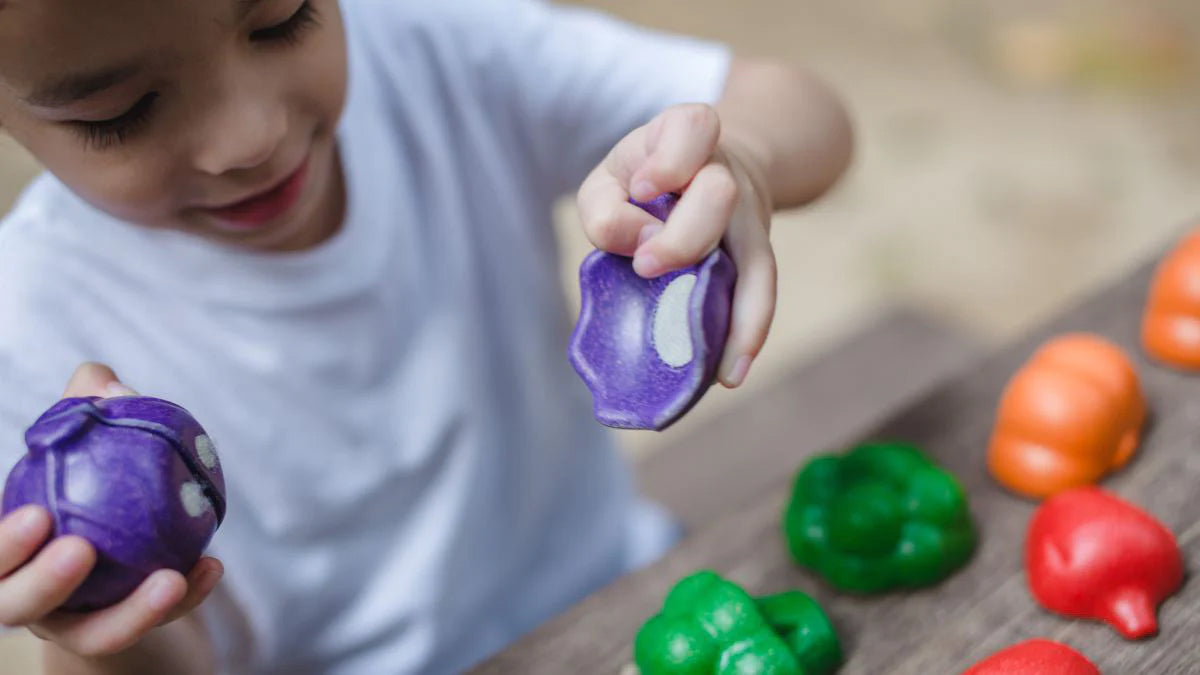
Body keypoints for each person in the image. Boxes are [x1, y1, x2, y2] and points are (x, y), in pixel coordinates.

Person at [0, 0, 852, 672]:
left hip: (628, 591)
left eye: (281, 20)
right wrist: (93, 629)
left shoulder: (438, 45)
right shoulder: (29, 329)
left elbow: (810, 115)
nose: (248, 136)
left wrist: (739, 154)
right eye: (122, 112)